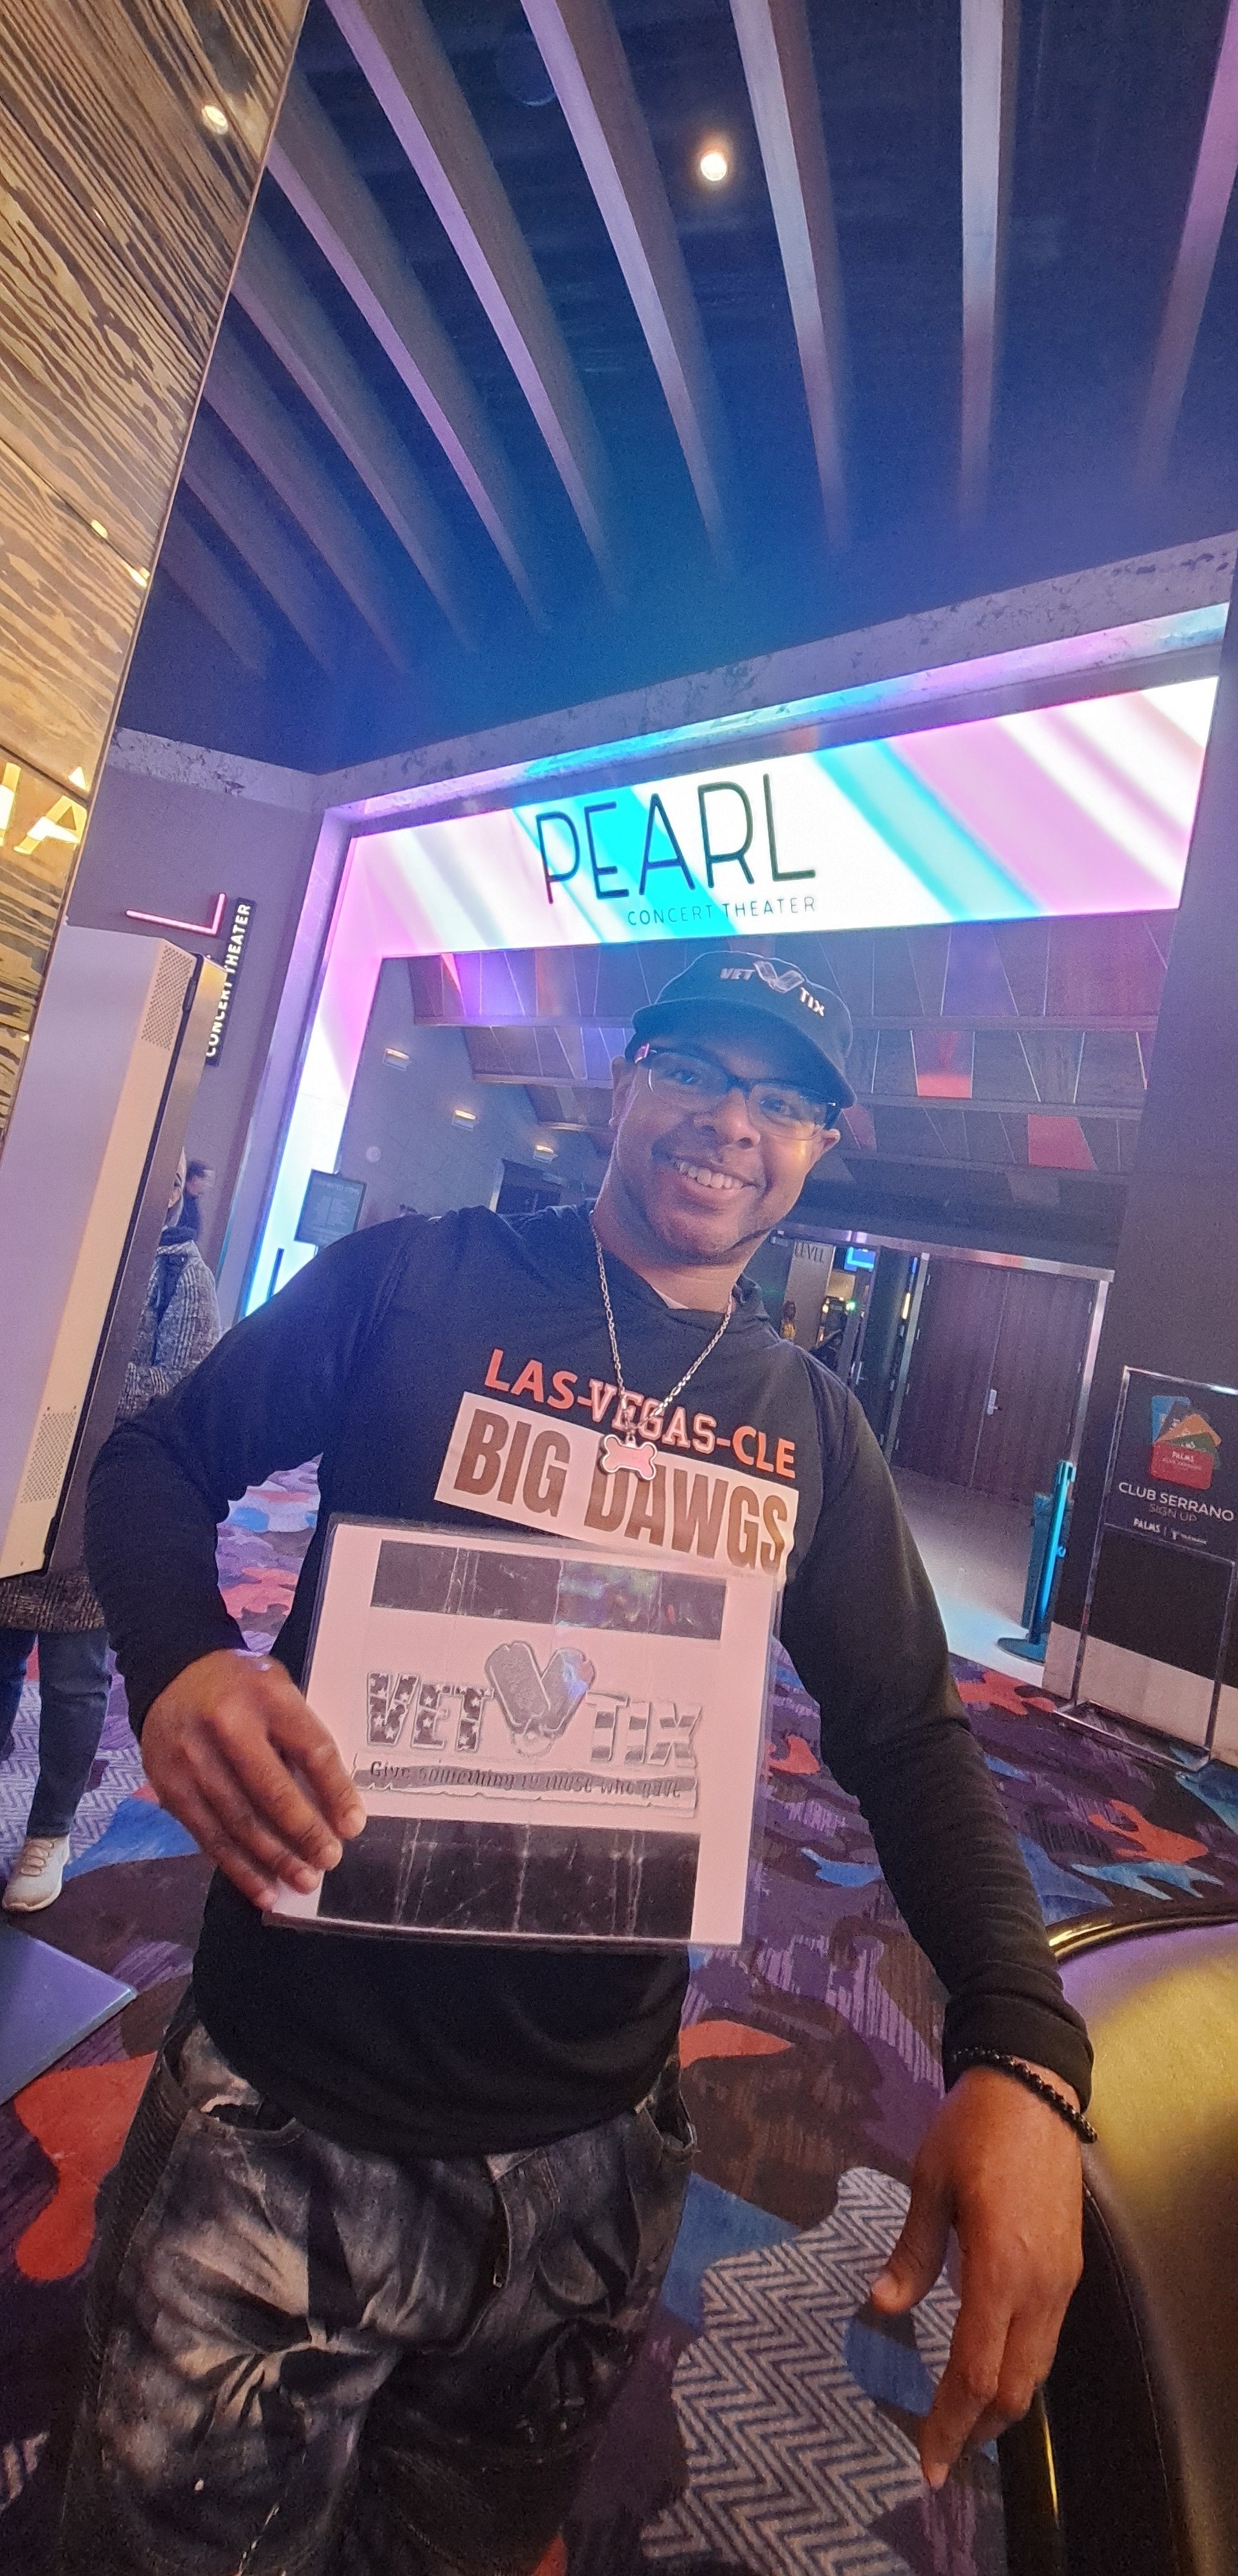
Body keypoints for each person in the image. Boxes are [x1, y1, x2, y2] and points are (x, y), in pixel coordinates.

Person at [70, 954, 1091, 2576]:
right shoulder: (416, 1279)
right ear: (624, 1083)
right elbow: (157, 1459)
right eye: (697, 1071)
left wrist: (1024, 2047)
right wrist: (185, 1662)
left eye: (781, 1100)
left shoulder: (812, 1428)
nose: (732, 1122)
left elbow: (908, 1734)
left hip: (587, 2164)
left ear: (820, 1145)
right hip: (282, 2111)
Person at [0, 1154, 220, 1913]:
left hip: (96, 1500)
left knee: (72, 1678)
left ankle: (50, 1831)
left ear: (175, 1194)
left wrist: (68, 1379)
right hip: (18, 1483)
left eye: (168, 1182)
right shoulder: (59, 1246)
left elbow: (179, 1386)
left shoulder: (179, 1276)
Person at [171, 1157, 215, 1245]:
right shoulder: (176, 1199)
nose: (210, 1186)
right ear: (195, 1180)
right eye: (207, 1181)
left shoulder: (193, 1204)